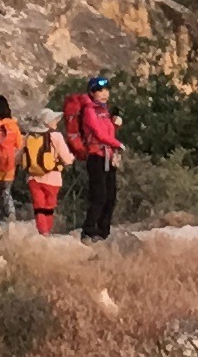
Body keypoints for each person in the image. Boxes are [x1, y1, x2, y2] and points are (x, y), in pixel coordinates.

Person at [62, 73, 124, 240]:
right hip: (96, 157)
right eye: (99, 90)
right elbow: (98, 133)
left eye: (105, 89)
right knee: (99, 195)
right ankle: (89, 230)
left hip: (108, 156)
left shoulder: (104, 110)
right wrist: (118, 144)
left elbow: (107, 133)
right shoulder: (90, 110)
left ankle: (104, 231)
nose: (104, 93)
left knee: (110, 195)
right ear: (92, 93)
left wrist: (115, 125)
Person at [22, 112, 67, 234]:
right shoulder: (56, 137)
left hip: (33, 178)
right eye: (54, 120)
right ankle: (47, 231)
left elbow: (19, 156)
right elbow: (66, 157)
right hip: (53, 179)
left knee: (38, 207)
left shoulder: (27, 137)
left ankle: (42, 232)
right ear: (47, 123)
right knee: (49, 207)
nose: (56, 121)